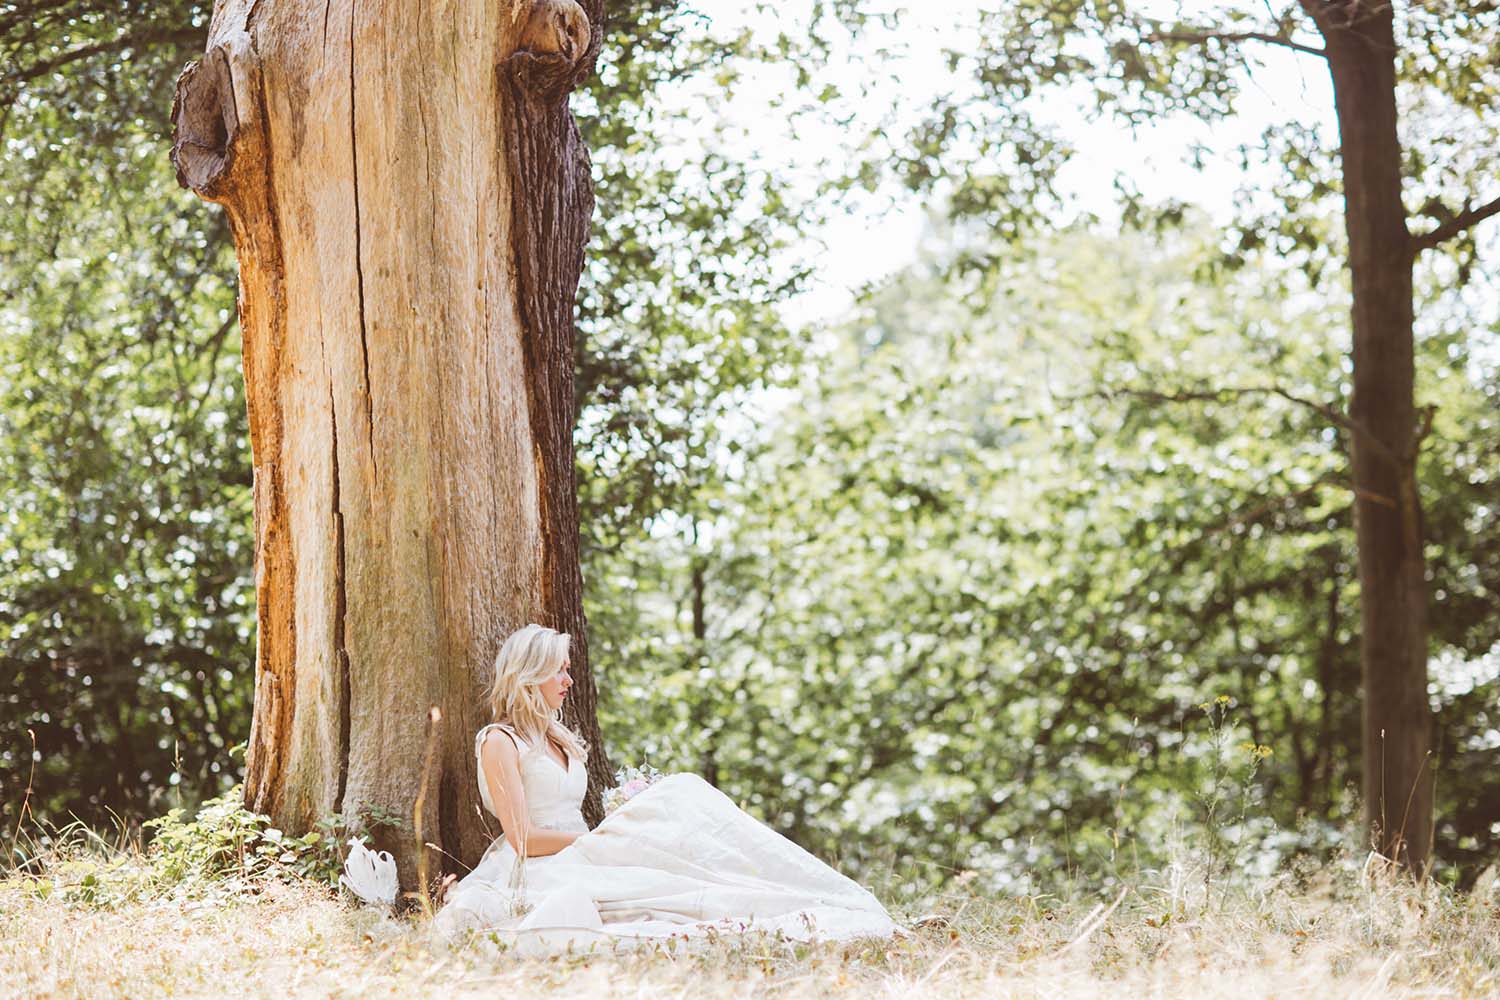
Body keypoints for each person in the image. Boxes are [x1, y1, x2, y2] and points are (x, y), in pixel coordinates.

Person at [431, 623, 899, 950]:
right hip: (541, 864)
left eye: (568, 669)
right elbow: (524, 839)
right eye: (560, 670)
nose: (570, 680)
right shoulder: (499, 741)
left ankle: (817, 895)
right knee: (665, 881)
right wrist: (604, 839)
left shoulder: (556, 737)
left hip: (585, 848)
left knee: (682, 797)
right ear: (530, 673)